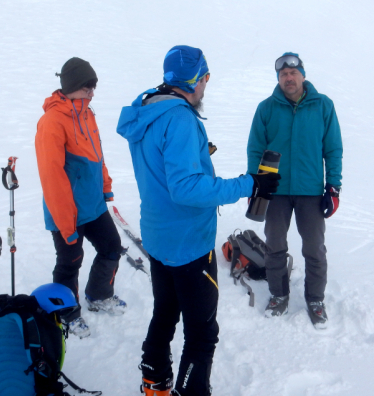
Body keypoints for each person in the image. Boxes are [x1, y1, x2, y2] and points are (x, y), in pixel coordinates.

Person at [117, 45, 280, 396]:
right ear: (195, 79)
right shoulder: (179, 119)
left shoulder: (148, 111)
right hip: (189, 244)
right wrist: (248, 183)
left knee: (165, 313)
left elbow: (164, 172)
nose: (206, 85)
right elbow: (186, 188)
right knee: (202, 332)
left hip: (159, 239)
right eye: (205, 78)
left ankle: (153, 382)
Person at [247, 52, 343, 329]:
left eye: (293, 73)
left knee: (314, 248)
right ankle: (279, 295)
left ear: (302, 74)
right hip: (274, 191)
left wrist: (333, 187)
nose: (288, 78)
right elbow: (255, 148)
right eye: (283, 75)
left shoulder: (323, 106)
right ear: (278, 79)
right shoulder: (266, 108)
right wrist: (258, 183)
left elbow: (333, 149)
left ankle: (315, 300)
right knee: (275, 246)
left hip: (311, 190)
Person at [35, 57, 127, 339]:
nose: (92, 92)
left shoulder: (87, 113)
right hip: (66, 211)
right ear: (71, 87)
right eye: (87, 87)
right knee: (70, 261)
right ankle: (67, 312)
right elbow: (52, 177)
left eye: (94, 86)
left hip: (93, 204)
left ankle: (98, 295)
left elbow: (97, 155)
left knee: (112, 247)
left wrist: (105, 185)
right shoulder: (51, 122)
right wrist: (66, 223)